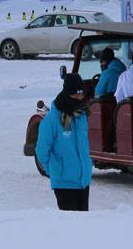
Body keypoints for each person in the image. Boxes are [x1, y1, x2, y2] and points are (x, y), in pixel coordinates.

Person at [35, 72, 94, 211]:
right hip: (64, 184)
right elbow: (41, 151)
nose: (79, 98)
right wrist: (54, 170)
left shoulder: (81, 115)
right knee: (71, 229)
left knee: (84, 228)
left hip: (83, 182)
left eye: (81, 94)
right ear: (67, 93)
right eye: (76, 94)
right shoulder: (52, 120)